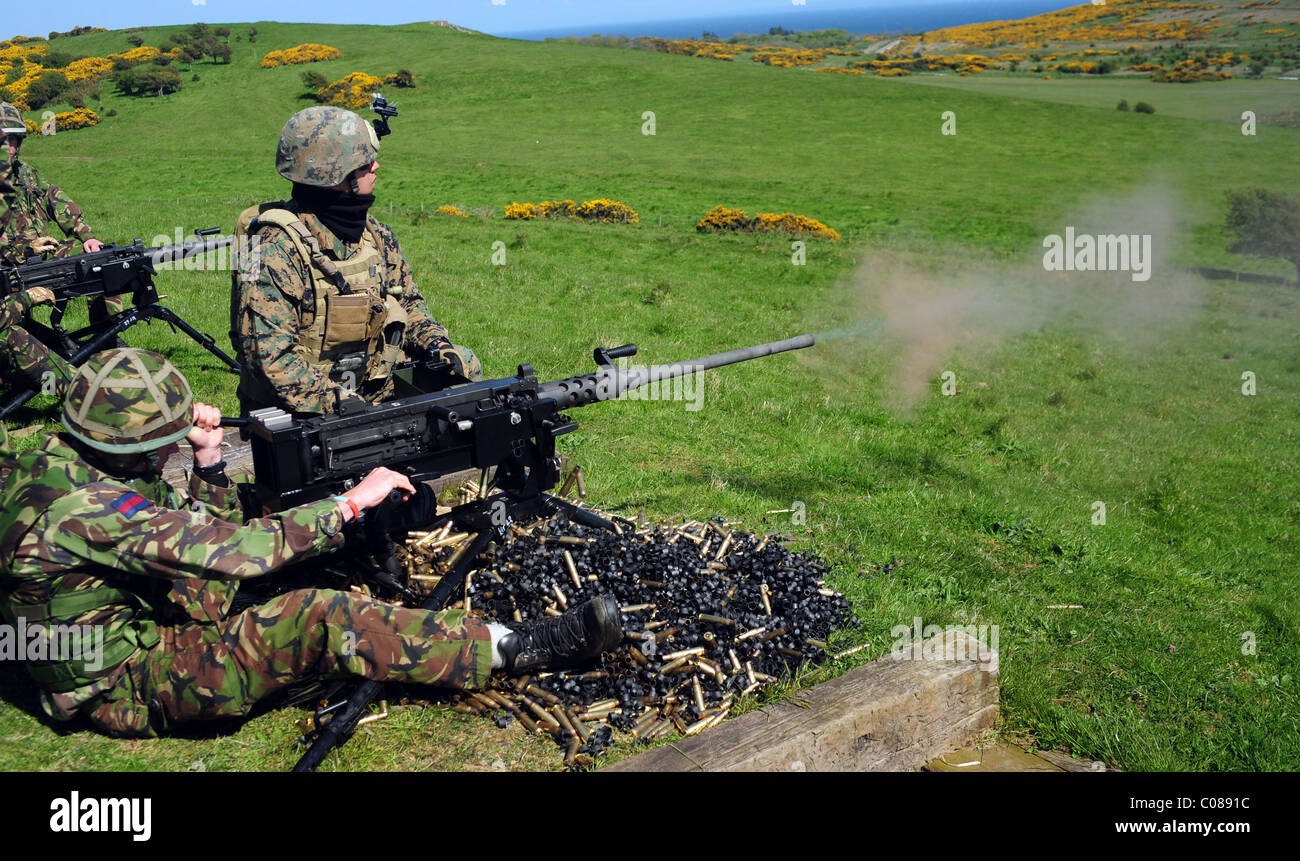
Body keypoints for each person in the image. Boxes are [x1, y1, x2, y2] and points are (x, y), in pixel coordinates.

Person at [0, 348, 621, 737]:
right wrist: (351, 501)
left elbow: (197, 540)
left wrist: (210, 463)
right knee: (316, 615)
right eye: (163, 436)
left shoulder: (43, 470)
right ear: (129, 444)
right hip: (121, 686)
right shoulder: (96, 510)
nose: (171, 444)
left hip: (105, 635)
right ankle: (517, 646)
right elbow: (243, 549)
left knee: (287, 562)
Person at [231, 105, 482, 418]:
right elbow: (271, 362)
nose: (376, 167)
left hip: (372, 392)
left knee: (468, 371)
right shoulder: (275, 249)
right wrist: (345, 406)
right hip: (306, 412)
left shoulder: (375, 234)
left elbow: (409, 304)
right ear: (335, 175)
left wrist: (438, 344)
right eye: (364, 164)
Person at [0, 100, 119, 401]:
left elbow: (57, 200)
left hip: (41, 258)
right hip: (9, 271)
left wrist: (86, 236)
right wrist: (25, 250)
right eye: (3, 140)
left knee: (105, 265)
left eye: (13, 140)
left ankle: (106, 344)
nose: (9, 148)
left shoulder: (26, 174)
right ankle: (71, 383)